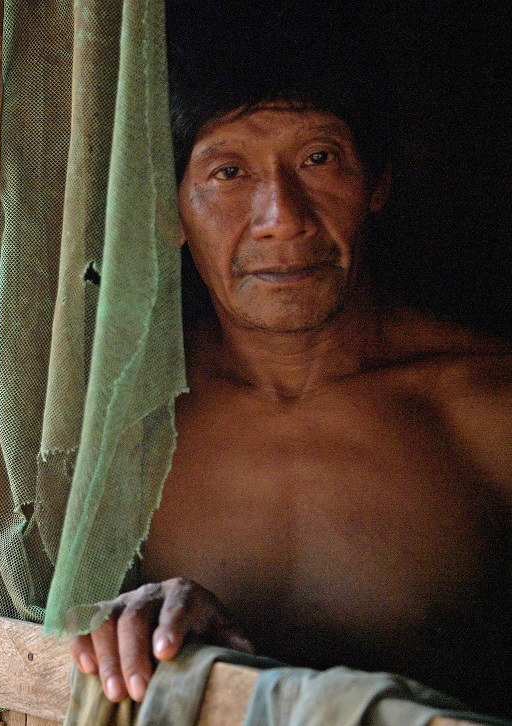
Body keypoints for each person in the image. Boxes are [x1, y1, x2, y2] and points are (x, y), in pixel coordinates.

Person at [68, 0, 512, 718]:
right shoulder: (122, 423)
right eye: (228, 171)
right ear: (169, 211)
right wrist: (152, 632)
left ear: (378, 181)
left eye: (318, 158)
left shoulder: (489, 407)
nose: (283, 217)